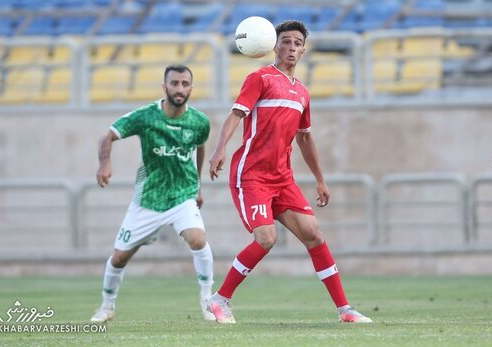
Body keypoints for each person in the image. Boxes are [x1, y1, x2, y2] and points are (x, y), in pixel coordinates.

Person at [206, 21, 372, 324]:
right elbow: (236, 115)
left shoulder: (303, 93)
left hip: (282, 178)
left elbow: (305, 137)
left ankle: (344, 310)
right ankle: (220, 299)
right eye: (285, 42)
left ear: (303, 50)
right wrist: (220, 148)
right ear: (274, 45)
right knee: (266, 238)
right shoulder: (260, 78)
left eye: (297, 43)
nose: (291, 48)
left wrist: (320, 179)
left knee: (313, 234)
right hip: (252, 175)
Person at [91, 64, 215, 322]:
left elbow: (199, 147)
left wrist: (198, 185)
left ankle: (207, 300)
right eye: (174, 83)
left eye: (184, 84)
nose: (179, 89)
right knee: (119, 257)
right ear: (164, 86)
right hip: (149, 200)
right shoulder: (146, 116)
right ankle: (107, 306)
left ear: (191, 87)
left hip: (182, 195)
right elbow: (108, 135)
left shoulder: (200, 122)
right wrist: (104, 163)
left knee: (198, 240)